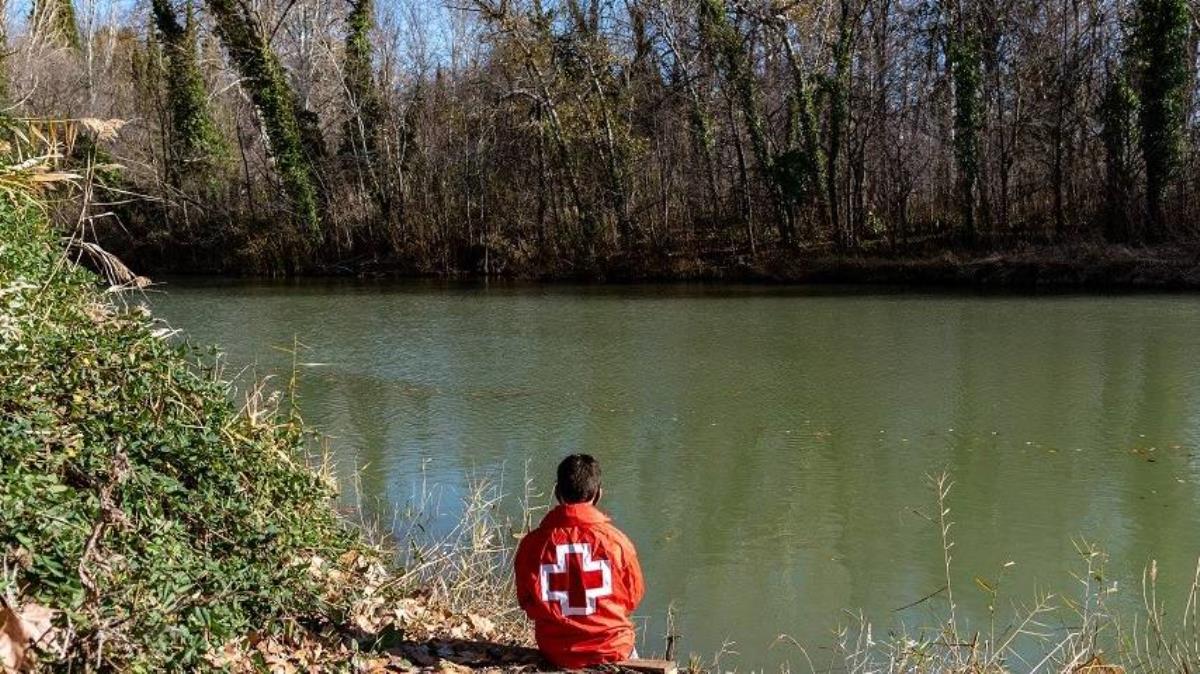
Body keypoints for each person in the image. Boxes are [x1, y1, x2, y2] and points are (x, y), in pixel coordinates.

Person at [514, 454, 645, 669]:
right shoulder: (617, 542)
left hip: (556, 651)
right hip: (613, 648)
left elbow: (527, 602)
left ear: (557, 492)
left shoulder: (532, 544)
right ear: (598, 493)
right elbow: (633, 598)